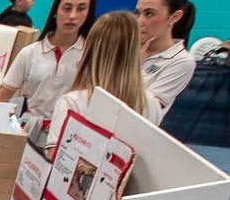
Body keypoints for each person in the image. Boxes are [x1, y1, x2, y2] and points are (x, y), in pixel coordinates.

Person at [47, 12, 162, 154]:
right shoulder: (152, 104)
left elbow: (54, 161)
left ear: (90, 50)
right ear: (136, 52)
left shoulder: (73, 102)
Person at [0, 0, 96, 143]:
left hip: (71, 139)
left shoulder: (93, 56)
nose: (72, 16)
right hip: (29, 133)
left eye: (81, 9)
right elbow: (1, 98)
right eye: (67, 8)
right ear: (55, 11)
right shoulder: (30, 52)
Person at [137, 0, 197, 115]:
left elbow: (145, 110)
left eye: (149, 14)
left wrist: (134, 66)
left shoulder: (182, 61)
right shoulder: (128, 46)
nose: (139, 21)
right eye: (138, 13)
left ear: (175, 17)